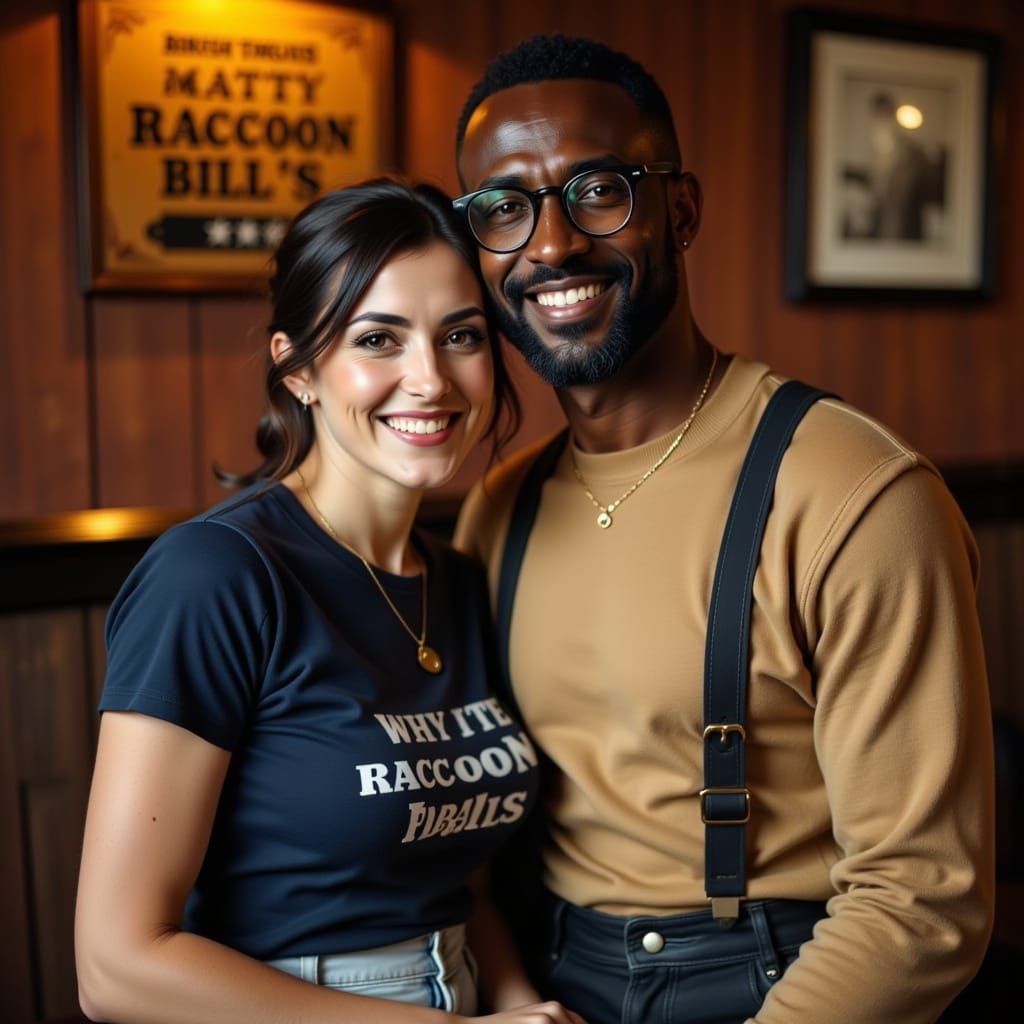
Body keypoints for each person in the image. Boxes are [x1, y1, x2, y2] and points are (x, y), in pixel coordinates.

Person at [451, 34, 994, 1024]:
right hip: (547, 980)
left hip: (777, 982)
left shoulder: (854, 493)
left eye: (599, 190)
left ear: (681, 210)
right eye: (503, 210)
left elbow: (921, 897)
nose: (551, 244)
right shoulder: (499, 510)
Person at [74, 177, 586, 1024]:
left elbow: (454, 886)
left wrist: (525, 1005)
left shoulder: (457, 581)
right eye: (379, 338)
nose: (429, 379)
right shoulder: (216, 575)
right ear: (300, 367)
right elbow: (116, 967)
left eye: (460, 335)